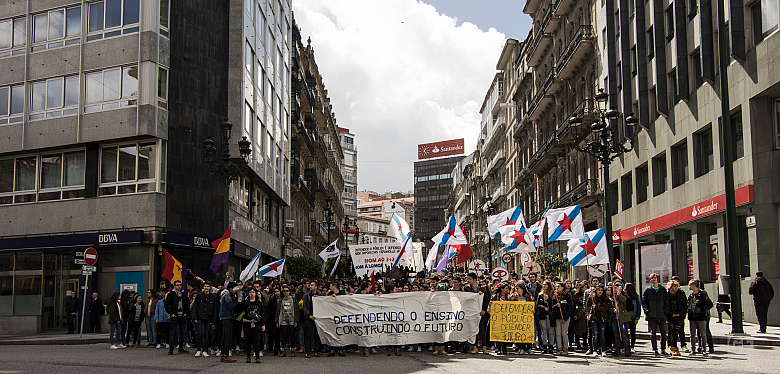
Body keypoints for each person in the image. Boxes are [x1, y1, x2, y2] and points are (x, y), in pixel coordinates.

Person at [642, 273, 670, 356]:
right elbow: (644, 303)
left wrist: (665, 311)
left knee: (664, 333)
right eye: (652, 278)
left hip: (662, 315)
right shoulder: (648, 290)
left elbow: (666, 302)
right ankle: (655, 349)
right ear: (650, 280)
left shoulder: (662, 290)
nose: (654, 279)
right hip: (652, 315)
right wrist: (647, 312)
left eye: (655, 278)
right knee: (653, 333)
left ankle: (663, 349)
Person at [236, 288, 267, 363]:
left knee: (256, 340)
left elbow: (262, 314)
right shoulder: (245, 303)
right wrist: (239, 303)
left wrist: (263, 324)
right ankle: (248, 356)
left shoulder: (259, 303)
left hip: (256, 323)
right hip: (247, 322)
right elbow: (238, 310)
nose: (251, 294)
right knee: (248, 340)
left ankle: (257, 356)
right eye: (250, 292)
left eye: (253, 292)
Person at [465, 272, 490, 354]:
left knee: (482, 329)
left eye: (469, 279)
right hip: (471, 312)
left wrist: (484, 310)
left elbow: (486, 300)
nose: (468, 280)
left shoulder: (483, 288)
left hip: (480, 312)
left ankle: (484, 347)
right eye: (467, 279)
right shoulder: (466, 288)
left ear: (474, 280)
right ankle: (474, 346)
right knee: (473, 329)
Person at [687, 279, 714, 356]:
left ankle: (704, 349)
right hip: (692, 317)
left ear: (693, 286)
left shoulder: (702, 294)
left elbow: (710, 304)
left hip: (701, 317)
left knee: (703, 334)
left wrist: (701, 309)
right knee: (692, 334)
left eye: (689, 285)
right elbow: (689, 306)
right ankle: (693, 349)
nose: (688, 286)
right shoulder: (691, 296)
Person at [192, 281, 219, 357]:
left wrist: (213, 320)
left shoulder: (213, 296)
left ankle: (205, 349)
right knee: (199, 333)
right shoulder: (199, 295)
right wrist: (195, 317)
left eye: (207, 286)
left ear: (210, 287)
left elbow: (214, 309)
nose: (206, 288)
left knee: (206, 334)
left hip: (208, 317)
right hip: (200, 317)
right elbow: (195, 306)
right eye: (205, 286)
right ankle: (198, 349)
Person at [164, 280, 190, 355]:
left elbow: (187, 304)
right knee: (173, 332)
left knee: (182, 332)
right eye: (177, 285)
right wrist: (171, 313)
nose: (179, 286)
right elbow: (166, 304)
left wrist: (186, 312)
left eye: (180, 285)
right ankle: (171, 349)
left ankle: (181, 348)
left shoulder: (184, 294)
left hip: (182, 315)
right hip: (174, 315)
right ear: (174, 286)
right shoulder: (171, 294)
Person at [587, 284, 613, 357]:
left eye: (601, 290)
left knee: (602, 335)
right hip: (594, 318)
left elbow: (605, 309)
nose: (600, 292)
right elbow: (588, 305)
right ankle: (594, 350)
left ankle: (603, 350)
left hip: (602, 318)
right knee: (595, 335)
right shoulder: (593, 298)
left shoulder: (605, 299)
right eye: (599, 290)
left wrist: (597, 308)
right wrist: (590, 297)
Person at [325, 282, 347, 357]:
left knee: (340, 332)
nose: (329, 287)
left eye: (330, 286)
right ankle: (332, 349)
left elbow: (345, 302)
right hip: (332, 315)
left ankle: (340, 349)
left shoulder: (342, 294)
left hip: (340, 315)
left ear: (334, 286)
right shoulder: (329, 294)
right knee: (332, 332)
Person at [490, 282, 512, 355]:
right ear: (502, 289)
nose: (507, 290)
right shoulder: (495, 297)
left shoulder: (508, 297)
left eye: (508, 288)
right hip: (497, 318)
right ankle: (499, 348)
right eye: (505, 288)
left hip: (506, 318)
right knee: (498, 333)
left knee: (505, 333)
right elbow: (490, 306)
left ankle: (504, 348)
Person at [552, 282, 574, 356]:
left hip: (565, 317)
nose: (557, 288)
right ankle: (559, 348)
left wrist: (565, 318)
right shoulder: (555, 296)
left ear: (562, 287)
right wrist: (556, 305)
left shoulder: (567, 295)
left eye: (558, 286)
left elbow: (570, 308)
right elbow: (552, 307)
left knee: (564, 333)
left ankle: (565, 348)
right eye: (556, 286)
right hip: (557, 317)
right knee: (558, 333)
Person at [666, 280, 687, 356]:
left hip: (679, 316)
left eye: (677, 286)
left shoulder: (681, 293)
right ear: (670, 287)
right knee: (671, 332)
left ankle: (675, 348)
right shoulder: (667, 294)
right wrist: (671, 314)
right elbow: (666, 306)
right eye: (674, 286)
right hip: (670, 316)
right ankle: (672, 348)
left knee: (676, 332)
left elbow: (685, 305)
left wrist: (680, 314)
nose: (676, 288)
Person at [302, 280, 322, 358]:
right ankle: (307, 351)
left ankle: (316, 350)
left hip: (317, 317)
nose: (310, 286)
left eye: (312, 285)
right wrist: (309, 315)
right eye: (310, 285)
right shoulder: (307, 296)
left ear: (316, 287)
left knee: (317, 335)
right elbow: (305, 307)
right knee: (308, 335)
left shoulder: (320, 295)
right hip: (309, 317)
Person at [277, 286, 299, 357]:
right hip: (284, 319)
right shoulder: (281, 300)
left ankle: (292, 350)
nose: (285, 292)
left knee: (292, 334)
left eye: (286, 291)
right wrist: (277, 320)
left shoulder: (293, 299)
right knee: (284, 334)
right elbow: (278, 310)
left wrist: (296, 320)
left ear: (289, 291)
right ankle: (283, 350)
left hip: (292, 319)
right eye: (284, 291)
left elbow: (296, 310)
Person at [219, 282, 238, 363]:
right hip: (227, 317)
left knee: (225, 335)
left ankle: (223, 353)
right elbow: (230, 306)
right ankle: (226, 354)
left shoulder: (229, 295)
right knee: (228, 336)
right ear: (231, 289)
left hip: (226, 317)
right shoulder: (227, 296)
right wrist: (237, 303)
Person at [611, 282, 632, 357]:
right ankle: (617, 349)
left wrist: (619, 293)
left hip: (622, 317)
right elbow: (609, 306)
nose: (615, 290)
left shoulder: (622, 295)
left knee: (624, 334)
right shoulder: (611, 297)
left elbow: (623, 300)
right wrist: (612, 309)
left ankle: (627, 350)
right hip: (614, 318)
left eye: (616, 288)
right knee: (616, 335)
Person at [536, 281, 555, 354]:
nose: (544, 286)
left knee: (550, 331)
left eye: (545, 285)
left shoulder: (552, 294)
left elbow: (553, 304)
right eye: (543, 285)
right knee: (544, 331)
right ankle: (544, 347)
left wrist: (548, 300)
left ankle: (551, 347)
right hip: (543, 315)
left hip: (550, 315)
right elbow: (538, 305)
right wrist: (543, 307)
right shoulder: (540, 295)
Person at [624, 283, 641, 353]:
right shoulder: (625, 296)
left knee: (633, 332)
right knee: (625, 332)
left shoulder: (636, 297)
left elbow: (639, 308)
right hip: (625, 317)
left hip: (633, 317)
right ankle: (626, 346)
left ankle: (632, 346)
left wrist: (637, 318)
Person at [266, 288, 281, 355]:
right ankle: (276, 348)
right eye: (275, 292)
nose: (276, 293)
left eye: (278, 291)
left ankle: (279, 348)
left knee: (280, 334)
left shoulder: (282, 300)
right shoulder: (272, 300)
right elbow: (269, 309)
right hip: (273, 318)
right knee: (275, 334)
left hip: (281, 318)